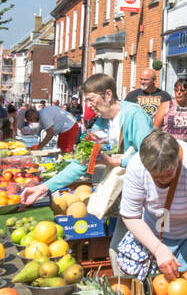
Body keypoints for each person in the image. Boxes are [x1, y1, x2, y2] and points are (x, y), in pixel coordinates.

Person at [20, 73, 154, 206]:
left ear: (108, 95)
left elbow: (149, 156)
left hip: (144, 193)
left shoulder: (135, 115)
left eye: (91, 99)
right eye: (86, 101)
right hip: (122, 192)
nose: (88, 106)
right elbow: (82, 162)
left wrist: (118, 161)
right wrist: (43, 188)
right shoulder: (100, 123)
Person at [119, 129, 187, 293]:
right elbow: (130, 215)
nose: (161, 180)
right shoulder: (136, 166)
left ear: (177, 162)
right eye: (155, 176)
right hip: (153, 232)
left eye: (167, 174)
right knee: (157, 292)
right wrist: (158, 249)